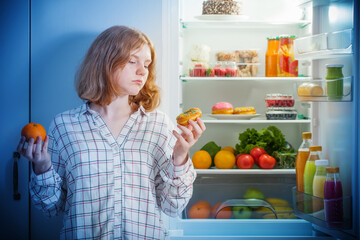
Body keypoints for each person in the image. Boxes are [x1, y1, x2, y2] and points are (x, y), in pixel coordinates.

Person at [17, 25, 205, 239]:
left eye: (146, 64)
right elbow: (49, 208)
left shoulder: (160, 125)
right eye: (132, 61)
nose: (143, 71)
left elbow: (173, 206)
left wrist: (180, 156)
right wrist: (41, 166)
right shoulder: (64, 126)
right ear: (105, 62)